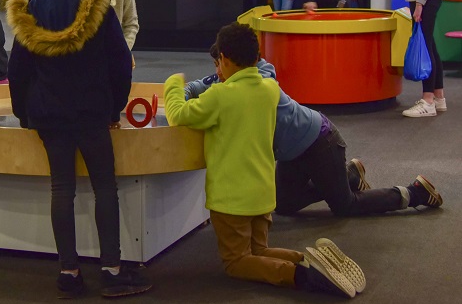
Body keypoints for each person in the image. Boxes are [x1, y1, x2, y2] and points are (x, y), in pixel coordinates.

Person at [164, 22, 365, 298]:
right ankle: (307, 259)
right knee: (258, 251)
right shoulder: (269, 89)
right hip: (261, 196)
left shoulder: (220, 96)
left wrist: (174, 83)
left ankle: (304, 276)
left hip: (231, 201)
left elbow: (177, 114)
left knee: (236, 262)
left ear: (222, 59)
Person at [6, 0, 150, 299]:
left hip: (48, 114)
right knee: (104, 187)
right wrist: (114, 108)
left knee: (61, 189)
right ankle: (112, 269)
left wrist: (24, 113)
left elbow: (17, 70)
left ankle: (69, 271)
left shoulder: (31, 9)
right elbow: (120, 62)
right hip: (91, 111)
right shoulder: (99, 6)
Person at [184, 44, 444, 216]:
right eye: (216, 65)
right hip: (292, 153)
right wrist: (184, 91)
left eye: (221, 63)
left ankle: (414, 192)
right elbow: (197, 86)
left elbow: (252, 82)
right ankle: (349, 175)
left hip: (320, 142)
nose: (217, 72)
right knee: (283, 205)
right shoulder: (226, 82)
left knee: (345, 206)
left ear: (235, 63)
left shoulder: (260, 77)